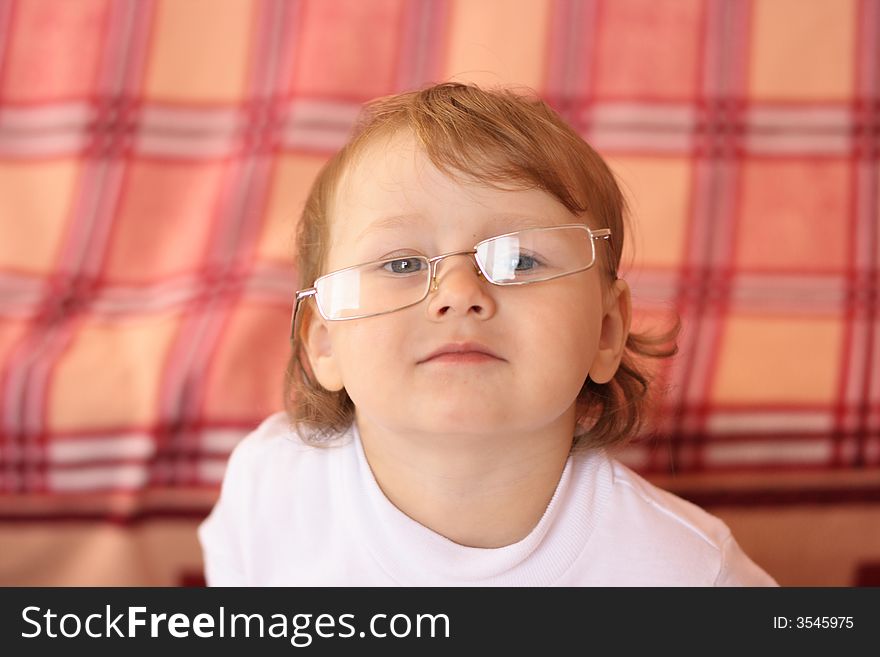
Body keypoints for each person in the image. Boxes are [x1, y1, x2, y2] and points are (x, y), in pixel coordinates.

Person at [198, 82, 777, 586]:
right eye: (401, 265)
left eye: (520, 260)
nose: (458, 293)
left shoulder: (685, 572)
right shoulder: (269, 490)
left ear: (606, 331)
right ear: (324, 342)